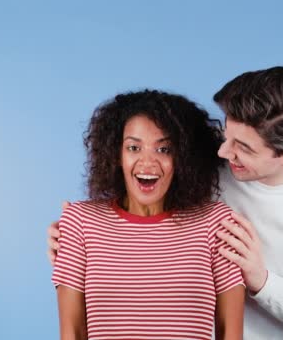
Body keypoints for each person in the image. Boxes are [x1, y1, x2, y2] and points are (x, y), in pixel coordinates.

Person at [48, 66, 283, 340]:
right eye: (227, 131)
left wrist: (262, 281)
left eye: (242, 147)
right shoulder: (208, 156)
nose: (221, 153)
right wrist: (82, 242)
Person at [51, 89, 245, 340]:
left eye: (164, 150)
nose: (147, 162)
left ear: (183, 158)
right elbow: (73, 333)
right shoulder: (80, 221)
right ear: (116, 154)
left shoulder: (215, 223)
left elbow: (230, 333)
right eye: (134, 147)